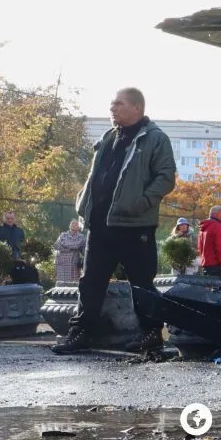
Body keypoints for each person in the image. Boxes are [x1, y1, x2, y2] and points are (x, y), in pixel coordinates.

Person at [52, 88, 177, 356]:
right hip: (100, 224)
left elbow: (166, 177)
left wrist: (141, 203)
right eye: (111, 104)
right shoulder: (109, 136)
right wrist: (83, 201)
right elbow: (96, 175)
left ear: (137, 108)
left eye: (118, 104)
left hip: (135, 226)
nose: (112, 108)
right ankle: (82, 332)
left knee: (142, 283)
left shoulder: (154, 138)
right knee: (91, 281)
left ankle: (151, 335)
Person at [197, 205, 221, 282]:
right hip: (216, 265)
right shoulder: (217, 226)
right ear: (217, 214)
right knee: (220, 292)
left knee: (208, 290)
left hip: (206, 265)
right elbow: (220, 248)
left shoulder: (204, 227)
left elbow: (200, 246)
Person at [52, 219, 87, 284]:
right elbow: (56, 245)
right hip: (62, 263)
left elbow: (83, 250)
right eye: (72, 223)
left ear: (78, 227)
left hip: (73, 263)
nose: (74, 225)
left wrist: (65, 245)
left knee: (73, 284)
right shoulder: (63, 235)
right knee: (61, 284)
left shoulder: (81, 237)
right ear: (69, 226)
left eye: (76, 224)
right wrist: (71, 248)